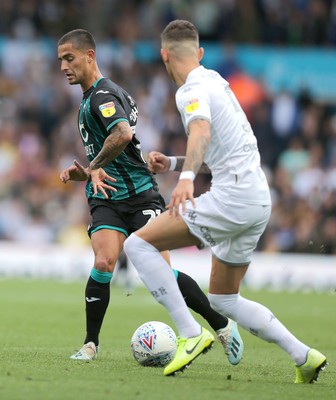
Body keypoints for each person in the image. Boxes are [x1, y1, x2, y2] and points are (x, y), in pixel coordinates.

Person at [124, 19, 327, 381]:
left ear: (164, 55)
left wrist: (185, 181)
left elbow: (200, 131)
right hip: (257, 198)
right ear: (200, 53)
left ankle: (190, 333)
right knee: (223, 299)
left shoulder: (188, 91)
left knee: (137, 245)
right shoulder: (216, 80)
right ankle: (304, 356)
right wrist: (172, 164)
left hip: (232, 197)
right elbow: (218, 152)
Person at [57, 29, 243, 363]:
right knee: (103, 262)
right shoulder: (91, 97)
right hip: (106, 196)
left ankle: (220, 324)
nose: (63, 67)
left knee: (159, 271)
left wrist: (90, 167)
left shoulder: (102, 96)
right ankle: (90, 344)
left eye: (69, 58)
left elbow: (123, 133)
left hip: (141, 195)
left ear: (90, 56)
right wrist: (92, 172)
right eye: (60, 60)